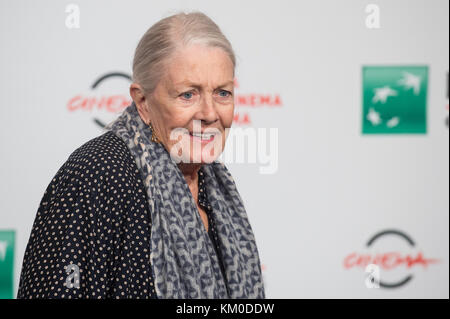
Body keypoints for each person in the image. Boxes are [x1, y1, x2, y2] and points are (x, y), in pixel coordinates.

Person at [17, 11, 265, 299]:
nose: (210, 114)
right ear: (143, 102)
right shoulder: (98, 172)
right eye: (188, 94)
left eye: (222, 93)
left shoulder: (216, 184)